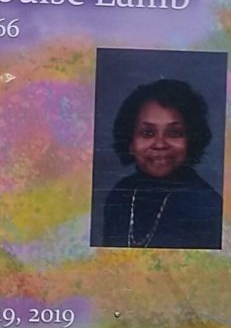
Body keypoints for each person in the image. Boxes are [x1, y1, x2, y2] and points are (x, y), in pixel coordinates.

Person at [95, 77, 224, 250]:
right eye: (147, 133)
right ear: (130, 142)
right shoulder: (120, 195)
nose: (160, 144)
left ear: (192, 140)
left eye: (174, 133)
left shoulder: (208, 206)